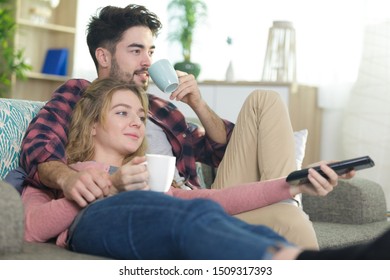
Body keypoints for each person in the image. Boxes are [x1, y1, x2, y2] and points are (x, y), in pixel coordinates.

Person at [12, 4, 323, 249]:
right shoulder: (79, 94)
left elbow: (222, 150)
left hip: (199, 196)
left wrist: (198, 105)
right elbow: (39, 150)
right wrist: (70, 179)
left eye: (150, 52)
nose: (147, 61)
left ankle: (286, 197)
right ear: (103, 56)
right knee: (289, 219)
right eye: (136, 51)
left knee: (264, 100)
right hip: (167, 206)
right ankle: (286, 204)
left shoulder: (161, 107)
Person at [21, 78, 390, 260]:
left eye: (140, 114)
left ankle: (316, 260)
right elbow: (30, 228)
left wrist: (293, 185)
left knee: (203, 208)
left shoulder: (152, 172)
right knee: (193, 213)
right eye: (122, 113)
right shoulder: (60, 174)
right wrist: (109, 184)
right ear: (92, 126)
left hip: (174, 211)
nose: (136, 122)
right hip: (110, 219)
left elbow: (216, 196)